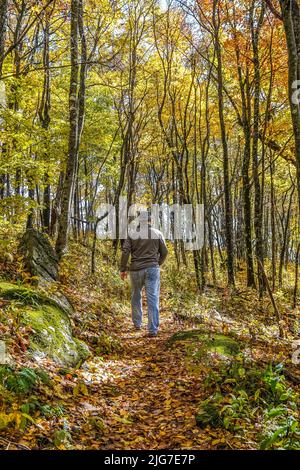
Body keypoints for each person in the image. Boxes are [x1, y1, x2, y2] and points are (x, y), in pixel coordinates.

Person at [119, 211, 168, 337]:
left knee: (136, 295)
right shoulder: (157, 233)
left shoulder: (132, 234)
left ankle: (137, 324)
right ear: (150, 221)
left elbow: (125, 252)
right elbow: (165, 252)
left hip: (135, 269)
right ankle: (152, 330)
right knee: (153, 297)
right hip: (152, 268)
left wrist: (123, 269)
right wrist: (158, 263)